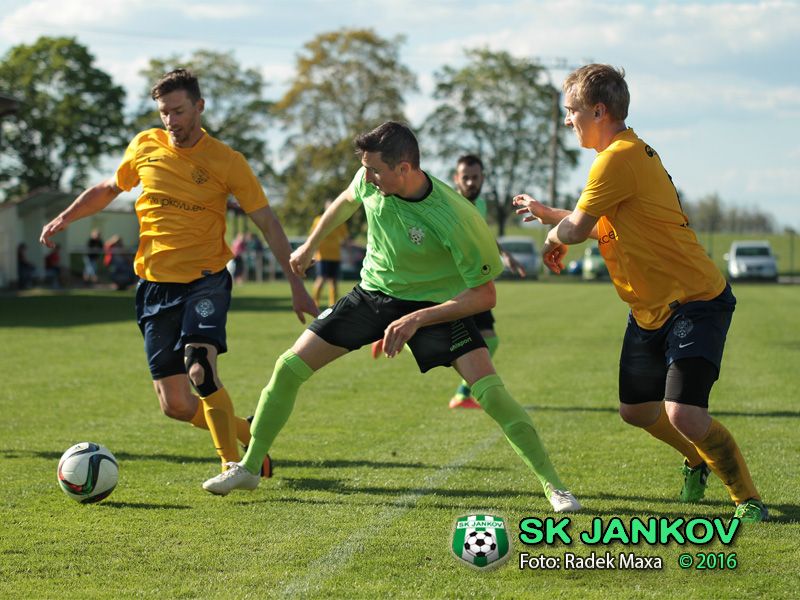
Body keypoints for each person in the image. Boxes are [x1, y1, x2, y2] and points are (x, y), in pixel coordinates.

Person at [202, 121, 581, 513]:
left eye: (375, 170)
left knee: (491, 394)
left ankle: (555, 487)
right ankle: (248, 467)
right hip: (371, 295)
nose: (367, 177)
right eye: (365, 168)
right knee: (289, 367)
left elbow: (485, 296)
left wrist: (418, 319)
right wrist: (310, 246)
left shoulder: (456, 217)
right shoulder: (371, 177)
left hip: (434, 307)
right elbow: (347, 200)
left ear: (405, 168)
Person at [513, 64, 766, 522]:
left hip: (695, 301)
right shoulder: (621, 156)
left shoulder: (617, 158)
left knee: (684, 414)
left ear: (598, 110)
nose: (567, 121)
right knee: (636, 411)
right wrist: (551, 215)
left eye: (571, 111)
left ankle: (746, 499)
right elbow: (610, 225)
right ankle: (695, 458)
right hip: (649, 309)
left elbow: (577, 230)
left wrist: (554, 234)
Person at [40, 68, 318, 477]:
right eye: (164, 112)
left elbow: (268, 223)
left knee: (199, 366)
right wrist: (66, 216)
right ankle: (246, 431)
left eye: (179, 110)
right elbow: (108, 188)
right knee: (176, 405)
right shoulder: (145, 146)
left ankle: (232, 464)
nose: (171, 121)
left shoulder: (227, 161)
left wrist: (296, 283)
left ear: (199, 107)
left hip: (205, 280)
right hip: (153, 287)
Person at [309, 200, 349, 307]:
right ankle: (315, 302)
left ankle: (332, 305)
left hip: (335, 255)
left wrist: (348, 249)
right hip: (322, 256)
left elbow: (345, 238)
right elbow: (312, 236)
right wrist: (311, 251)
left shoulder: (340, 220)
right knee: (321, 278)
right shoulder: (318, 220)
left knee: (334, 281)